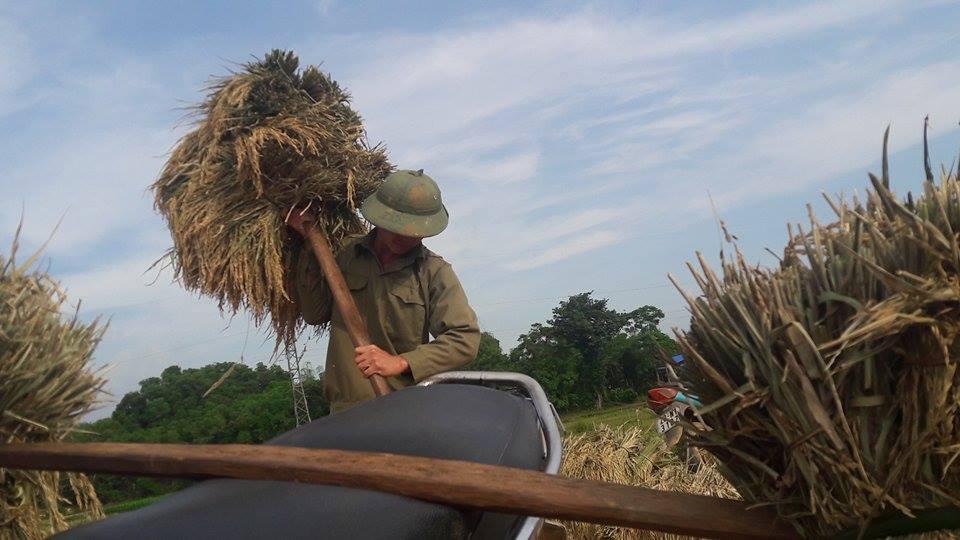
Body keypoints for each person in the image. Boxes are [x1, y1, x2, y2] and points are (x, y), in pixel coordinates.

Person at [286, 169, 481, 413]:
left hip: (403, 410)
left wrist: (401, 362)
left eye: (414, 229)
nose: (406, 235)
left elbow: (465, 340)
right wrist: (309, 244)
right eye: (397, 225)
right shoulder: (345, 254)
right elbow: (314, 314)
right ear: (380, 217)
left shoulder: (433, 272)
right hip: (345, 411)